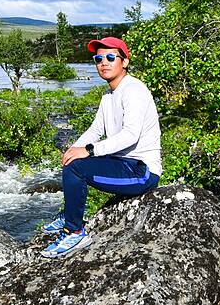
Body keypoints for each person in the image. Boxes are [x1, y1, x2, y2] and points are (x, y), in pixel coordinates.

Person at [40, 36, 162, 259]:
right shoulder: (109, 95)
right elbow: (96, 129)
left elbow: (130, 135)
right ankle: (69, 214)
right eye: (98, 58)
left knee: (77, 168)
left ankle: (75, 231)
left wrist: (88, 151)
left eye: (110, 57)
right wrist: (74, 149)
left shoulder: (134, 90)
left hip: (142, 171)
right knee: (73, 161)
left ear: (124, 62)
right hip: (122, 163)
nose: (103, 62)